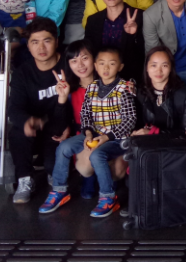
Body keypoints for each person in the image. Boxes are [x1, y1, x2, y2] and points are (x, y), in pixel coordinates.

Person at [39, 45, 136, 218]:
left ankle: (108, 197)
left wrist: (106, 137)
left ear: (120, 66)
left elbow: (130, 120)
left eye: (112, 64)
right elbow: (85, 114)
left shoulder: (124, 89)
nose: (106, 68)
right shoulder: (92, 88)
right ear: (96, 66)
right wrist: (89, 133)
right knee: (63, 148)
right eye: (102, 63)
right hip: (94, 133)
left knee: (97, 155)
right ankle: (59, 190)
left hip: (116, 138)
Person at [7, 18, 72, 204]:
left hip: (61, 127)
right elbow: (14, 108)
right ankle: (24, 179)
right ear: (28, 46)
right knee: (17, 132)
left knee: (53, 167)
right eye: (35, 42)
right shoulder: (23, 73)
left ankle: (53, 170)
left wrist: (72, 126)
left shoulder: (69, 65)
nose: (41, 47)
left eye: (47, 40)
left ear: (56, 42)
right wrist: (27, 121)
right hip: (36, 128)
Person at [84, 0, 145, 84]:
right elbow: (89, 51)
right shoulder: (93, 20)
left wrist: (133, 35)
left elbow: (146, 51)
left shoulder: (140, 16)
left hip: (132, 80)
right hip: (102, 81)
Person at [62, 38, 99, 199]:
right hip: (83, 136)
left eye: (84, 58)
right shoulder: (70, 90)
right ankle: (87, 177)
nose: (80, 65)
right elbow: (64, 118)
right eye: (74, 61)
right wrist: (62, 99)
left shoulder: (108, 85)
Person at [132, 46, 186, 135]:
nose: (159, 71)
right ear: (146, 67)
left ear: (171, 68)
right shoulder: (140, 93)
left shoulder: (185, 94)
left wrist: (155, 132)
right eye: (154, 65)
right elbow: (136, 126)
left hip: (175, 143)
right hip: (146, 143)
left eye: (164, 65)